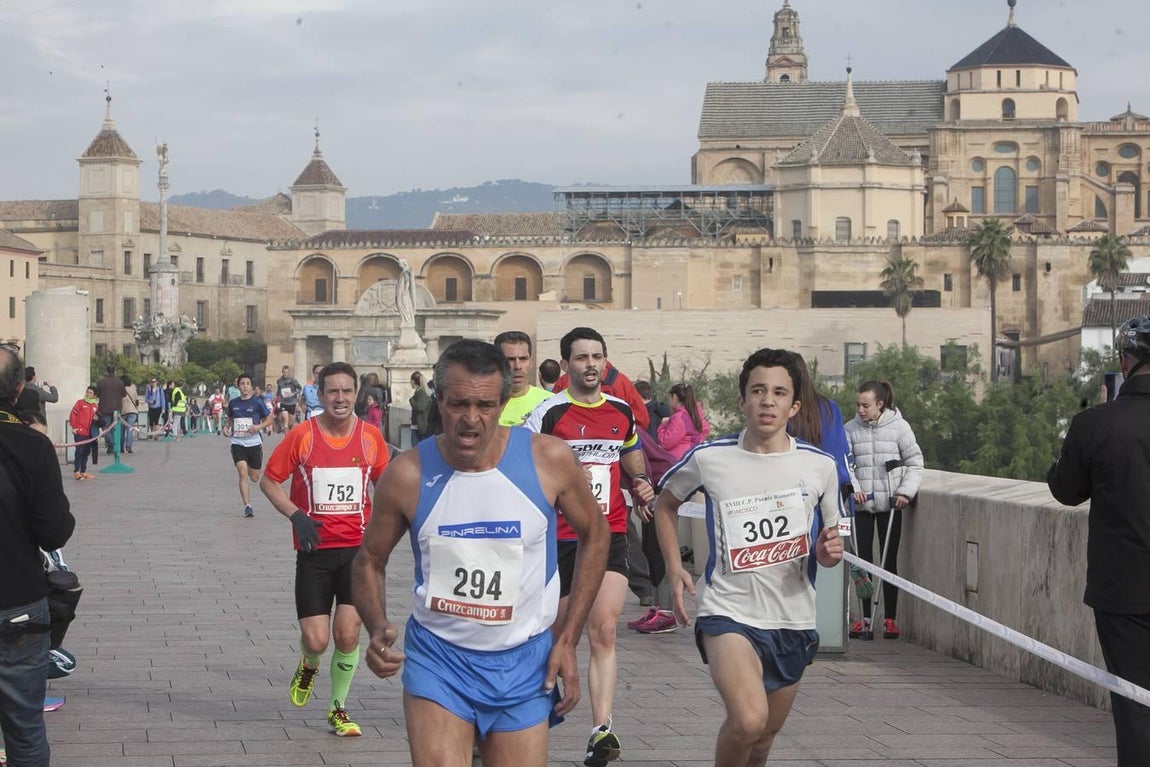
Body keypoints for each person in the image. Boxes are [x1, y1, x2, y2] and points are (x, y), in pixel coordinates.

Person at [351, 339, 609, 767]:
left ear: (504, 401)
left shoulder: (549, 460)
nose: (471, 420)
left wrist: (568, 638)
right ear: (439, 400)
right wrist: (376, 625)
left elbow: (596, 535)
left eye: (486, 406)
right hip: (439, 660)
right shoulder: (407, 474)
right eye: (458, 404)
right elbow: (369, 559)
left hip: (525, 662)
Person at [653, 347, 844, 767]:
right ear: (742, 400)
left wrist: (828, 553)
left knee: (763, 738)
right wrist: (674, 566)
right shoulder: (710, 458)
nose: (767, 401)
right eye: (758, 390)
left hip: (793, 617)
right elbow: (663, 506)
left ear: (794, 405)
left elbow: (833, 544)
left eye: (779, 392)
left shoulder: (820, 467)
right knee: (747, 720)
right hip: (728, 610)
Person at [523, 326, 655, 767]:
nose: (591, 365)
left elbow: (630, 452)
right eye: (581, 358)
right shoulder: (548, 413)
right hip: (557, 539)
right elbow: (523, 467)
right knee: (559, 633)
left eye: (597, 357)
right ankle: (525, 720)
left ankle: (602, 731)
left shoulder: (620, 410)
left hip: (608, 533)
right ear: (565, 366)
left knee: (603, 627)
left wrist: (639, 483)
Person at [260, 362, 389, 738]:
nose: (341, 398)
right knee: (318, 638)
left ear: (357, 395)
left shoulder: (370, 437)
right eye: (333, 391)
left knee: (347, 635)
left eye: (347, 391)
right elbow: (270, 481)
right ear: (319, 393)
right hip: (315, 553)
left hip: (357, 555)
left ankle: (338, 708)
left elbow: (388, 485)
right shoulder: (302, 435)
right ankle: (309, 661)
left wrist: (387, 530)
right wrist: (295, 515)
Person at [1047, 315, 1150, 766]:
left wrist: (1092, 423)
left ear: (1126, 361)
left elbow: (1065, 490)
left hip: (1123, 587)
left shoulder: (1098, 423)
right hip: (1123, 588)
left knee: (1135, 707)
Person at [0, 343, 75, 767]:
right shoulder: (33, 447)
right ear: (17, 392)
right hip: (17, 607)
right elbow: (55, 533)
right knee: (25, 733)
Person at [843, 379, 923, 640]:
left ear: (880, 404)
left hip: (890, 504)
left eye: (866, 405)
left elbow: (914, 462)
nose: (861, 410)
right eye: (858, 405)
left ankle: (890, 618)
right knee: (862, 564)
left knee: (889, 562)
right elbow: (846, 464)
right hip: (862, 506)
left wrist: (905, 492)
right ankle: (863, 617)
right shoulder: (850, 429)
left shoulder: (900, 427)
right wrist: (854, 487)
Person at [224, 373, 274, 518]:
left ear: (251, 386)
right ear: (238, 386)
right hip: (237, 442)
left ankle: (254, 468)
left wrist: (258, 427)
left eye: (247, 383)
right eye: (242, 384)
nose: (245, 386)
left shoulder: (257, 402)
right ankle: (247, 506)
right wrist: (226, 428)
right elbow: (229, 420)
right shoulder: (234, 403)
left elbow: (269, 420)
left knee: (254, 477)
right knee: (242, 472)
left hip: (254, 443)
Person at [494, 331, 550, 426]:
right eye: (510, 359)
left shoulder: (550, 402)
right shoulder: (483, 404)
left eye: (523, 359)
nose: (517, 366)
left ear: (531, 362)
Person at [656, 382, 710, 460]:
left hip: (677, 459)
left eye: (670, 397)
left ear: (674, 397)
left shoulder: (679, 418)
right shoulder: (696, 414)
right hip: (692, 455)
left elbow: (666, 443)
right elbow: (704, 430)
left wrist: (662, 426)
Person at [68, 386, 99, 480]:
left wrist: (97, 419)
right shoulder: (80, 402)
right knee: (79, 451)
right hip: (79, 432)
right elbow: (73, 414)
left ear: (94, 396)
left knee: (86, 452)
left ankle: (83, 472)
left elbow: (97, 419)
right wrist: (74, 427)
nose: (88, 394)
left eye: (91, 393)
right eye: (87, 392)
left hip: (89, 434)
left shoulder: (94, 406)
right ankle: (76, 472)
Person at [94, 365, 127, 453]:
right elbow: (124, 394)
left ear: (107, 372)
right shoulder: (120, 382)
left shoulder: (101, 382)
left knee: (105, 427)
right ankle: (113, 444)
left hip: (104, 408)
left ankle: (110, 443)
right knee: (114, 428)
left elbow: (96, 393)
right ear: (115, 371)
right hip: (117, 408)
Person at [276, 365, 302, 433]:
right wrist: (277, 400)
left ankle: (290, 430)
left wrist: (293, 393)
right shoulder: (279, 381)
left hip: (292, 402)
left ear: (289, 372)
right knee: (285, 420)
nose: (285, 374)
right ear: (282, 372)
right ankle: (286, 437)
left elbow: (300, 388)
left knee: (291, 422)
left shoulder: (293, 380)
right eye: (284, 372)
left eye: (287, 372)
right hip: (283, 402)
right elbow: (278, 391)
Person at [409, 371, 431, 444]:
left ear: (413, 381)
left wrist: (411, 400)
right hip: (417, 426)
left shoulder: (422, 392)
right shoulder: (419, 392)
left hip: (421, 427)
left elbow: (420, 407)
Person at [120, 374, 139, 454]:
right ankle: (129, 445)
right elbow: (137, 401)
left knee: (122, 430)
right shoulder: (133, 388)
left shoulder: (121, 389)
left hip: (123, 411)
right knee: (130, 429)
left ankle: (121, 447)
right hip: (133, 411)